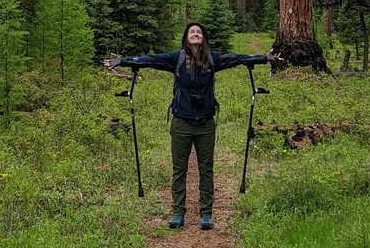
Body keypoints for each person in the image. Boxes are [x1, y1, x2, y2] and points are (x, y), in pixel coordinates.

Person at [104, 23, 277, 230]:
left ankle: (206, 214)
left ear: (203, 38)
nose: (195, 34)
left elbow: (238, 58)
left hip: (205, 123)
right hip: (181, 122)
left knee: (206, 169)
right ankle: (178, 212)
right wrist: (122, 61)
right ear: (186, 38)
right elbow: (150, 60)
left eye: (199, 32)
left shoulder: (214, 59)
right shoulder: (175, 58)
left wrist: (264, 58)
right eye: (192, 32)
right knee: (179, 169)